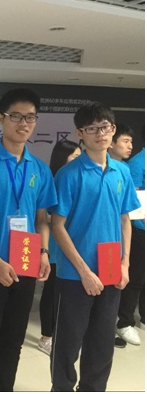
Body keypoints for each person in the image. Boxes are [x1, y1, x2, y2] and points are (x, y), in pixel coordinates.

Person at [0, 88, 57, 391]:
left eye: (30, 117)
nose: (23, 123)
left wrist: (43, 252)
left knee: (14, 339)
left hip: (26, 263)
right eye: (16, 116)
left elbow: (41, 219)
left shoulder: (40, 169)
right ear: (1, 118)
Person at [49, 102, 141, 391]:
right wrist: (84, 271)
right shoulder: (69, 174)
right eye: (92, 129)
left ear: (112, 130)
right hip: (75, 274)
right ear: (80, 133)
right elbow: (57, 226)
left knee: (101, 341)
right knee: (68, 341)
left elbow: (125, 220)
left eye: (105, 127)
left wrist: (125, 263)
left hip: (112, 268)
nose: (100, 134)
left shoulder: (122, 172)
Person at [37, 140, 81, 356]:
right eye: (75, 157)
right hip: (54, 247)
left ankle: (59, 333)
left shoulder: (76, 179)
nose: (79, 161)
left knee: (65, 294)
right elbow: (43, 217)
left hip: (72, 246)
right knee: (51, 293)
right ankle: (46, 337)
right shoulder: (54, 181)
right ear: (62, 158)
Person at [116, 125, 144, 347]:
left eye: (131, 142)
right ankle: (124, 321)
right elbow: (132, 205)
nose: (130, 146)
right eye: (125, 141)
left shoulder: (125, 166)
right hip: (137, 227)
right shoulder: (137, 163)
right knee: (133, 278)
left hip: (131, 228)